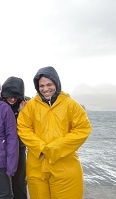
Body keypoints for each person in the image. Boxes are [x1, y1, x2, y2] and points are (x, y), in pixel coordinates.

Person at [17, 66, 92, 199]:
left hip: (65, 167)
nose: (45, 89)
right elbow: (23, 128)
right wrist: (41, 148)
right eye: (41, 86)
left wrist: (54, 148)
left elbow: (82, 128)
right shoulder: (31, 106)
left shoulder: (71, 105)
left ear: (56, 83)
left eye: (49, 84)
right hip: (37, 166)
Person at [1, 76, 28, 199]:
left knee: (19, 181)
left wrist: (23, 114)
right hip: (1, 148)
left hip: (19, 148)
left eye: (15, 96)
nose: (12, 99)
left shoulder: (26, 105)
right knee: (1, 181)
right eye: (9, 95)